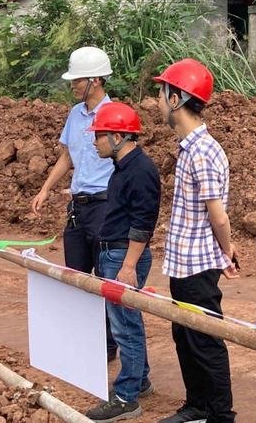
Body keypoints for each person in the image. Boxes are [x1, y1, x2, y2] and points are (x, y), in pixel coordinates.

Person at [154, 59, 239, 423]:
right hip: (185, 262)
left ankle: (220, 415)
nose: (157, 101)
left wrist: (226, 250)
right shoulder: (190, 147)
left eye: (162, 94)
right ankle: (198, 405)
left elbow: (218, 216)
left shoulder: (202, 152)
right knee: (186, 336)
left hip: (197, 266)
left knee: (205, 340)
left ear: (176, 100)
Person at [31, 46, 118, 362]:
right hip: (79, 207)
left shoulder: (114, 116)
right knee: (76, 276)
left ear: (96, 80)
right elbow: (67, 157)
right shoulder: (75, 114)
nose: (73, 85)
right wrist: (45, 189)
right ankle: (83, 340)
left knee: (106, 278)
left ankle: (108, 345)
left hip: (105, 206)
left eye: (78, 80)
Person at [85, 102, 161, 422]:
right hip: (115, 253)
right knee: (128, 321)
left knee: (124, 327)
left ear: (117, 136)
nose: (95, 142)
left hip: (123, 255)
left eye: (98, 135)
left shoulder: (141, 171)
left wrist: (128, 266)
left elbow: (143, 223)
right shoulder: (124, 167)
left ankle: (126, 397)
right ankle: (139, 380)